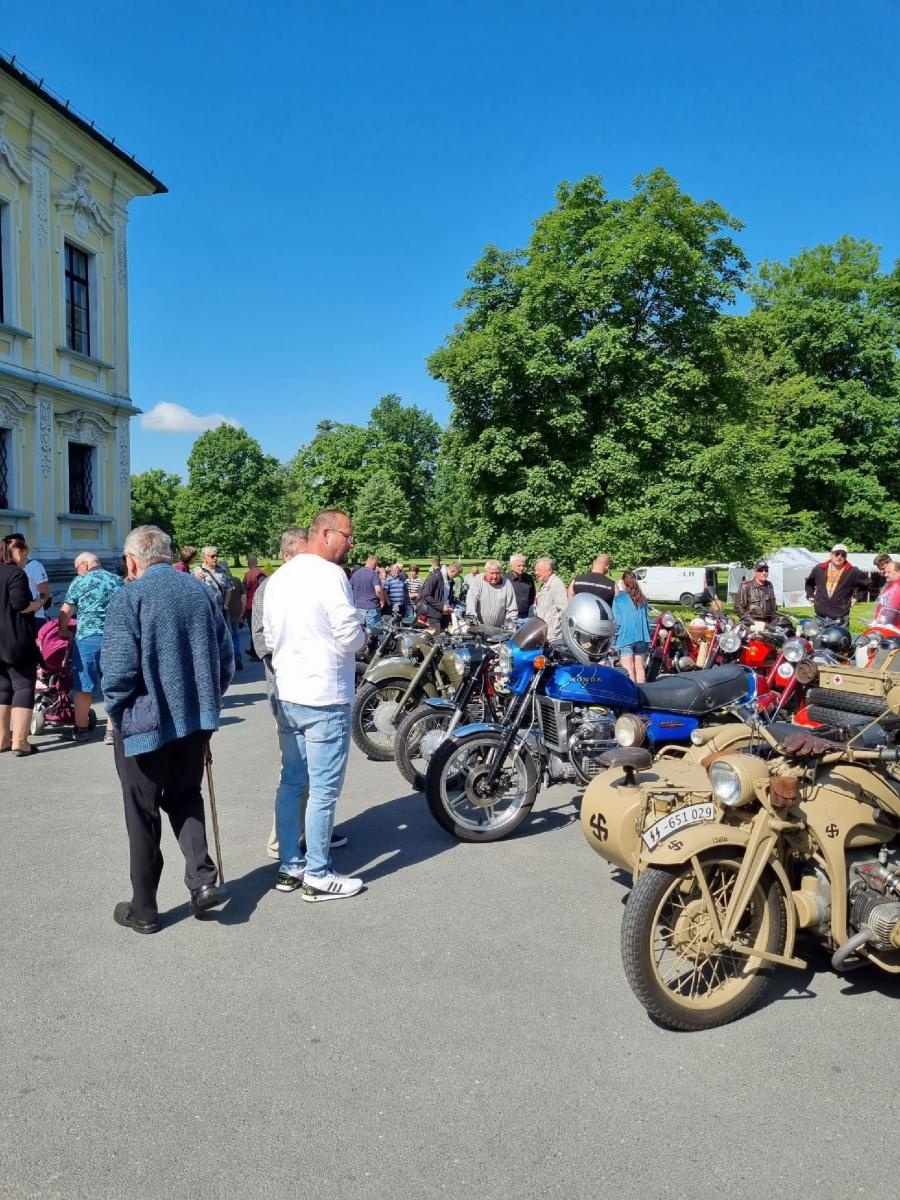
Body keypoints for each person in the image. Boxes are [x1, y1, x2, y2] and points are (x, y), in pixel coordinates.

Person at [100, 525, 233, 934]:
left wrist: (117, 712)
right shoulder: (200, 592)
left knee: (142, 813)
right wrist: (208, 702)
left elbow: (118, 672)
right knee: (185, 796)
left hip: (144, 724)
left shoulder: (129, 596)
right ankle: (203, 881)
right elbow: (226, 658)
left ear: (132, 561)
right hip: (195, 721)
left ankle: (144, 910)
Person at [263, 509, 367, 900]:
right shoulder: (329, 575)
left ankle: (290, 866)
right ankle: (318, 874)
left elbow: (269, 638)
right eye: (347, 536)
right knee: (323, 790)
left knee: (292, 782)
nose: (350, 544)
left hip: (289, 692)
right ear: (325, 533)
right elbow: (348, 635)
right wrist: (362, 635)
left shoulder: (279, 577)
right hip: (324, 694)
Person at [57, 552, 123, 743]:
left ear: (84, 565)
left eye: (77, 569)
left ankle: (81, 730)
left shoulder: (80, 581)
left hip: (87, 639)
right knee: (113, 685)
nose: (77, 573)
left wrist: (63, 631)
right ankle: (111, 732)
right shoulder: (116, 580)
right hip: (115, 638)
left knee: (83, 687)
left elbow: (65, 612)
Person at [0, 538, 43, 756]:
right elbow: (19, 604)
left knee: (2, 689)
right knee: (24, 686)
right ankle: (20, 741)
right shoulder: (16, 574)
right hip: (16, 639)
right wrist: (36, 604)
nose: (25, 558)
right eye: (24, 553)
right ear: (14, 552)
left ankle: (1, 740)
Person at [805, 543, 869, 623]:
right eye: (837, 553)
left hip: (839, 619)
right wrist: (810, 595)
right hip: (819, 617)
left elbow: (867, 584)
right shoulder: (819, 568)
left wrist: (856, 598)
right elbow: (809, 583)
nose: (839, 557)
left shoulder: (853, 571)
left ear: (846, 557)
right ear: (831, 554)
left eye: (843, 555)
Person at [613, 570, 652, 683]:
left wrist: (614, 641)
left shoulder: (618, 599)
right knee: (639, 667)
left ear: (623, 582)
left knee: (628, 668)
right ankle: (641, 691)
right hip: (642, 637)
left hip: (625, 637)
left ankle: (632, 693)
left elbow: (617, 622)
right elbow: (648, 620)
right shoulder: (642, 598)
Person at [4, 534, 50, 626]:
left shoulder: (35, 566)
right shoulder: (6, 567)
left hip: (34, 618)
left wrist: (34, 608)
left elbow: (44, 593)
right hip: (11, 619)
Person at [465, 560, 517, 628]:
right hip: (479, 627)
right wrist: (472, 618)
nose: (495, 576)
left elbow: (512, 608)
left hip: (500, 629)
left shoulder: (507, 583)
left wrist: (511, 626)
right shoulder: (478, 580)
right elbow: (471, 600)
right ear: (486, 572)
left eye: (497, 573)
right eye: (492, 573)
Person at [417, 560, 461, 631]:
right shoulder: (435, 577)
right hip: (433, 615)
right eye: (455, 575)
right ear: (452, 571)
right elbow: (426, 595)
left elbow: (451, 597)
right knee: (436, 636)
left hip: (445, 615)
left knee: (444, 636)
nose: (455, 577)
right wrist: (441, 607)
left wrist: (451, 607)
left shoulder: (451, 581)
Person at [219, 559, 245, 671]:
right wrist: (242, 612)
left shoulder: (220, 582)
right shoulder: (236, 580)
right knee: (235, 635)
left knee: (224, 639)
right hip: (235, 613)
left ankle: (228, 661)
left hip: (224, 614)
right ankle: (237, 655)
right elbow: (243, 598)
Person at [534, 557, 568, 641]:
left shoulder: (557, 584)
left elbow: (564, 610)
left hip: (552, 637)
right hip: (543, 633)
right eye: (535, 570)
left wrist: (556, 631)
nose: (536, 573)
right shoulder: (545, 585)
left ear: (549, 570)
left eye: (539, 570)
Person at [350, 554, 386, 632]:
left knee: (360, 632)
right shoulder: (373, 574)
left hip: (358, 607)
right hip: (371, 607)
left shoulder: (355, 574)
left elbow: (350, 590)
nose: (376, 566)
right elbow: (378, 590)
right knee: (373, 633)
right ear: (373, 563)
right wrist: (382, 600)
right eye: (376, 564)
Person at [194, 546, 232, 610]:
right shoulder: (196, 571)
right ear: (204, 558)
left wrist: (225, 606)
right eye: (212, 556)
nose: (215, 558)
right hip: (204, 609)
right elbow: (191, 590)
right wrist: (196, 580)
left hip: (220, 609)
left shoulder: (223, 570)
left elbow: (229, 589)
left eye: (216, 555)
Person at [505, 554, 536, 620]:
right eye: (519, 566)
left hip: (527, 617)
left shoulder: (528, 578)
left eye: (523, 565)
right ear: (511, 566)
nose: (522, 568)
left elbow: (532, 596)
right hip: (511, 617)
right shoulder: (505, 580)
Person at [873, 558, 900, 631]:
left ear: (898, 572)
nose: (885, 575)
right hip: (884, 626)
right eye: (885, 572)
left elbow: (892, 609)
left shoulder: (898, 586)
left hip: (894, 629)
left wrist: (881, 624)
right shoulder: (890, 585)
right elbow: (881, 605)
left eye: (889, 572)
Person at [242, 555, 266, 628]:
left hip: (251, 605)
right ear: (257, 562)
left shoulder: (247, 575)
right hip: (262, 604)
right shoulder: (264, 573)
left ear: (248, 563)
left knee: (252, 628)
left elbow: (244, 591)